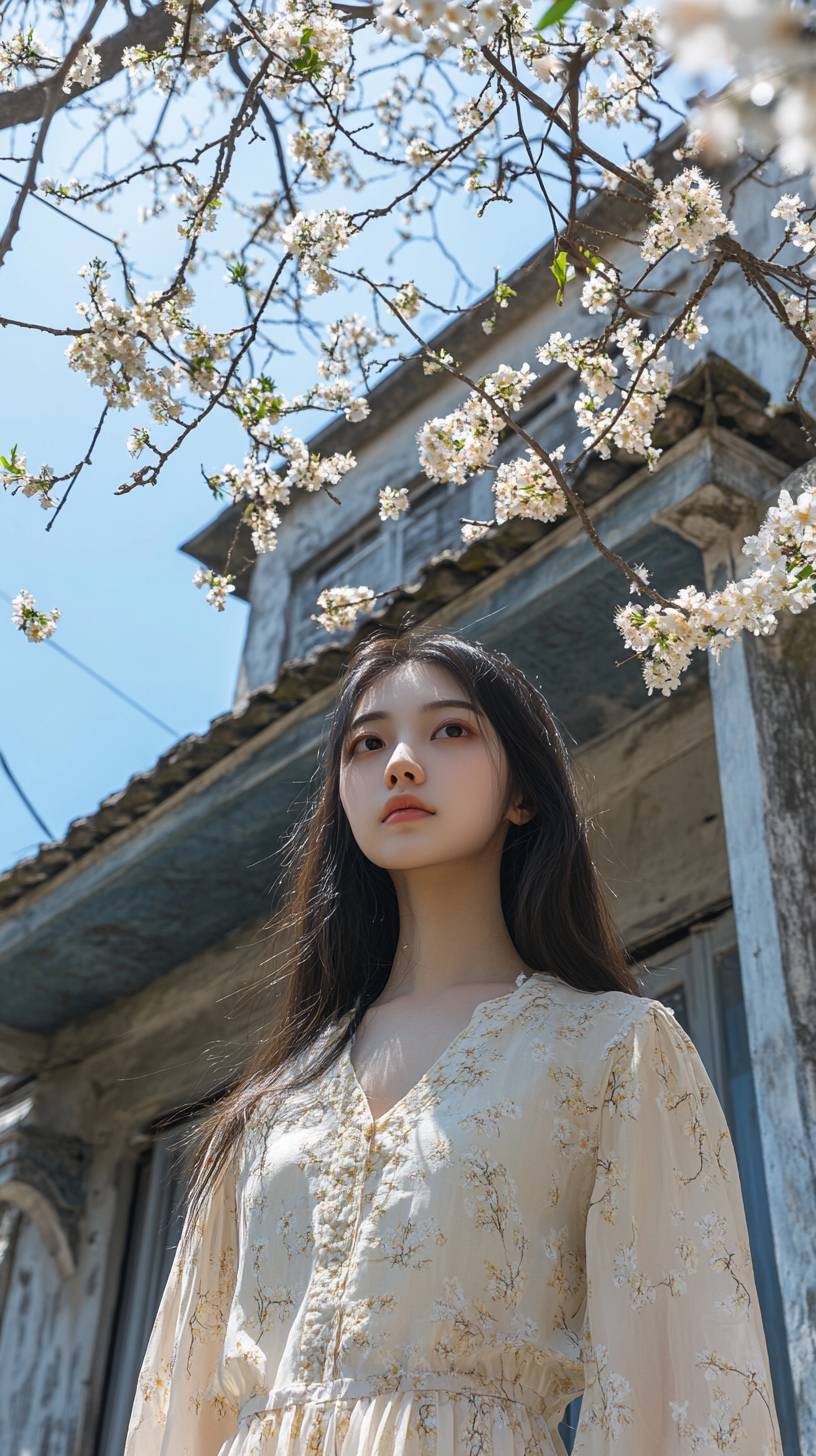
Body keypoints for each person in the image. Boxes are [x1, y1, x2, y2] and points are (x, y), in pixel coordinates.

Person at [124, 628, 784, 1456]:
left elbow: (676, 1379)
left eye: (451, 730)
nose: (401, 762)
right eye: (367, 745)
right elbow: (183, 1407)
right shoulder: (270, 1105)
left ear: (524, 794)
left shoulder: (611, 1049)